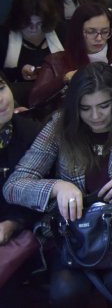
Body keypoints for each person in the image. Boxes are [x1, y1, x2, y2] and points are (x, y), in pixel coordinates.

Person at [5, 63, 112, 306]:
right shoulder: (60, 125)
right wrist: (56, 187)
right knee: (65, 291)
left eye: (104, 106)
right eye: (85, 108)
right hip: (79, 227)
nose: (96, 116)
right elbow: (14, 186)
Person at [29, 3, 112, 111]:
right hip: (73, 119)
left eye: (105, 31)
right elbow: (34, 100)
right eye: (91, 32)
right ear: (77, 32)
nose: (99, 38)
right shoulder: (56, 61)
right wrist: (64, 79)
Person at [0, 76, 44, 290]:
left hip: (23, 232)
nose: (1, 99)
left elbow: (42, 194)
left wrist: (12, 223)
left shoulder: (32, 133)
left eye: (1, 88)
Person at [1, 0, 63, 100]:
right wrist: (18, 72)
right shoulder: (3, 36)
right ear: (17, 20)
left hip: (58, 95)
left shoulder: (61, 31)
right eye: (27, 24)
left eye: (39, 23)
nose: (34, 29)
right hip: (16, 98)